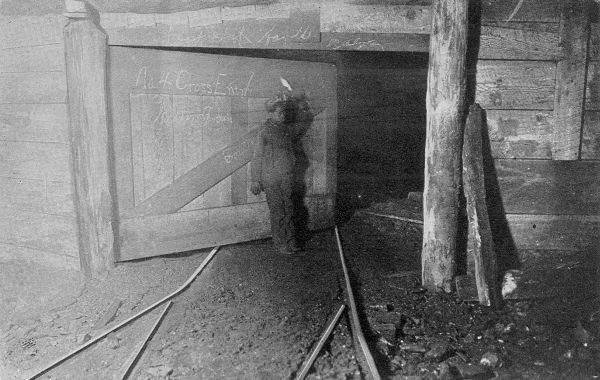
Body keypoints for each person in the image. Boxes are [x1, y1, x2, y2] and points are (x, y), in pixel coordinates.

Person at [250, 94, 303, 255]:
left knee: (289, 207)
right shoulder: (264, 132)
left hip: (286, 176)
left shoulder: (286, 130)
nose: (283, 115)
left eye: (284, 112)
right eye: (280, 112)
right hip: (270, 178)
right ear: (271, 113)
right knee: (278, 210)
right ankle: (280, 243)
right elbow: (257, 156)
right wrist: (255, 180)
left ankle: (290, 240)